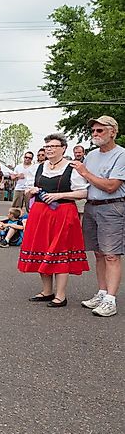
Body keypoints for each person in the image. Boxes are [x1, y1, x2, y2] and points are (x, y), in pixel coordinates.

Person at [19, 133, 89, 307]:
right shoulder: (37, 168)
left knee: (60, 250)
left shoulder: (72, 168)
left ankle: (61, 295)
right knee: (42, 249)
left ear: (63, 148)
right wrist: (31, 191)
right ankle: (47, 291)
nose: (49, 149)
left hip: (63, 212)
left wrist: (60, 195)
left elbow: (84, 192)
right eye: (47, 146)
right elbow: (27, 189)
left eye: (53, 146)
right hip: (40, 212)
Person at [73, 116, 125, 317]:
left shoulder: (121, 155)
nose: (95, 134)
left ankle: (111, 300)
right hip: (91, 206)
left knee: (112, 254)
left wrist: (85, 172)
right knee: (99, 253)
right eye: (93, 131)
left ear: (113, 131)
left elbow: (112, 186)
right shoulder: (92, 155)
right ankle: (102, 293)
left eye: (100, 130)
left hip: (112, 208)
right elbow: (83, 186)